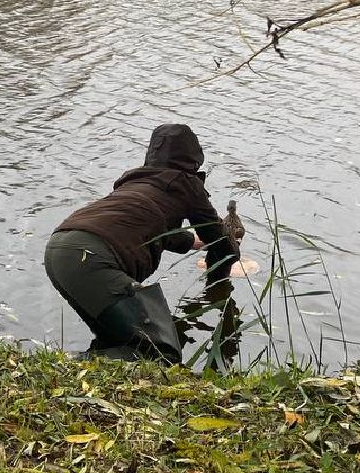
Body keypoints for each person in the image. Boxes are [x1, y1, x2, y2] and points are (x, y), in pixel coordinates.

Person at [45, 124, 238, 363]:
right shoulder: (187, 184)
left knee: (122, 338)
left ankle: (85, 359)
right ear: (194, 157)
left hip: (60, 249)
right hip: (92, 259)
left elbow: (141, 226)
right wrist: (217, 286)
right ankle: (67, 361)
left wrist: (192, 242)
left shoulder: (135, 180)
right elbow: (222, 243)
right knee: (160, 352)